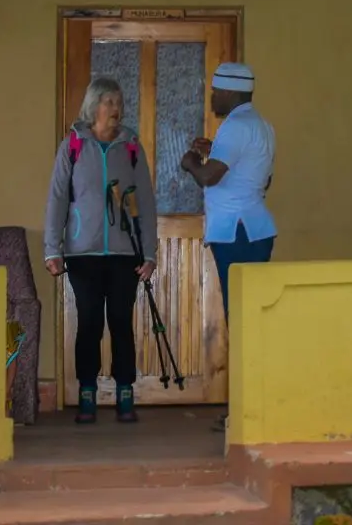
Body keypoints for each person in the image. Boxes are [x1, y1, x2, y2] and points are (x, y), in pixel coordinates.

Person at [44, 77, 158, 425]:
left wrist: (149, 252)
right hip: (83, 253)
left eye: (118, 101)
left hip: (125, 253)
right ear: (93, 106)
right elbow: (57, 197)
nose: (115, 108)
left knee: (122, 322)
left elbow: (147, 202)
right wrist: (53, 248)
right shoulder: (73, 145)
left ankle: (125, 392)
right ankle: (87, 394)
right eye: (108, 101)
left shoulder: (131, 146)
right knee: (89, 323)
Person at [179, 62, 275, 432]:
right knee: (249, 320)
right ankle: (251, 404)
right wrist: (214, 149)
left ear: (231, 92)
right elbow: (260, 177)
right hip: (255, 228)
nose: (212, 96)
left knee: (243, 321)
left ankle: (247, 411)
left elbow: (209, 176)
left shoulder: (234, 127)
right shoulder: (263, 126)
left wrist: (191, 162)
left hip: (238, 232)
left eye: (216, 91)